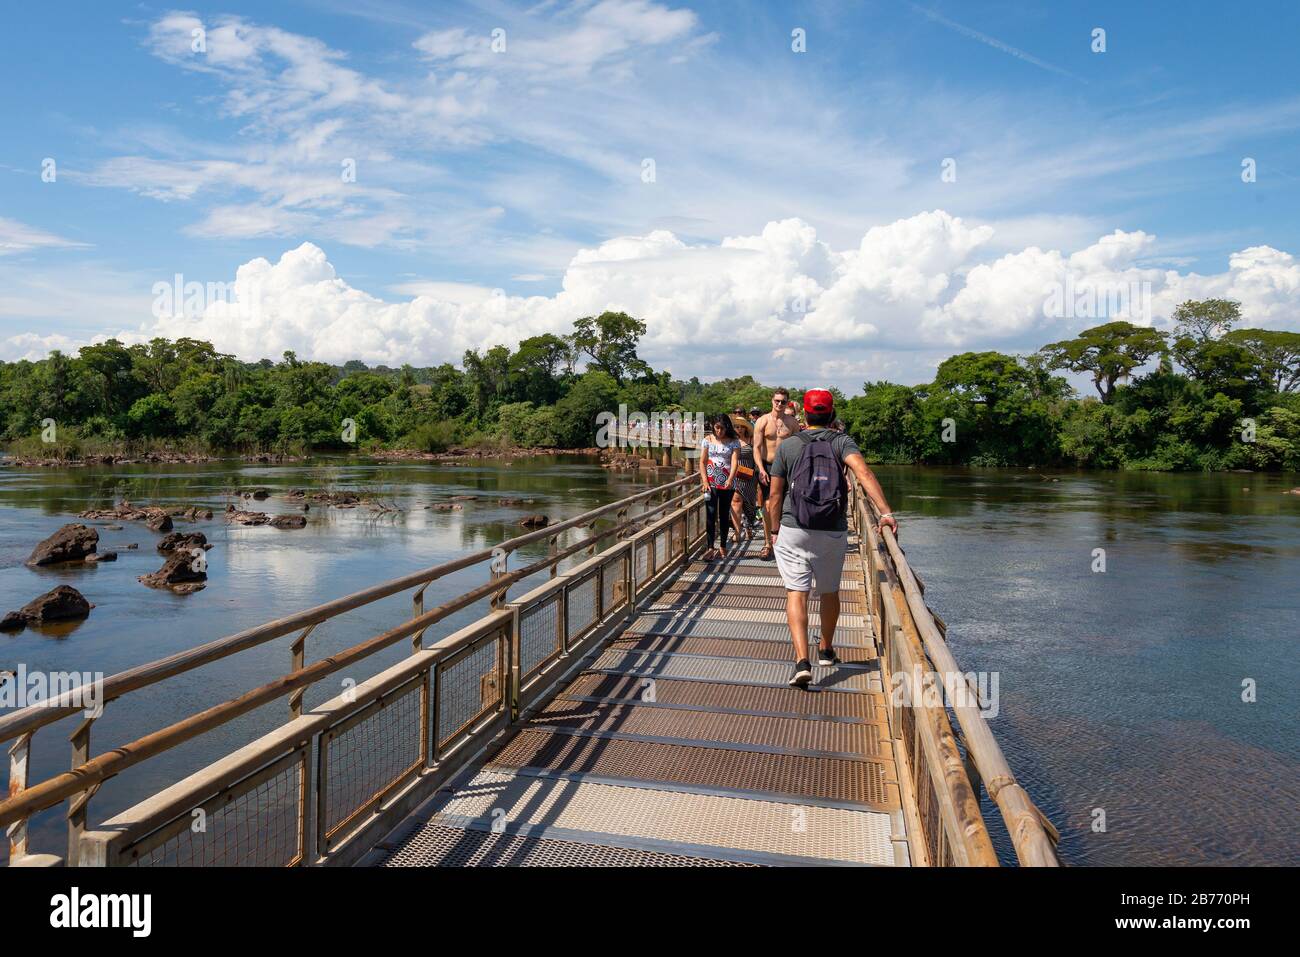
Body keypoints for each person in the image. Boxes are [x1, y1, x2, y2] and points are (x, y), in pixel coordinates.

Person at [766, 389, 898, 688]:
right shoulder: (841, 441)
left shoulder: (788, 446)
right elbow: (863, 473)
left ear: (803, 412)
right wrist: (886, 513)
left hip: (793, 527)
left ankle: (802, 661)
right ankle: (826, 649)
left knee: (796, 593)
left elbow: (775, 495)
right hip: (832, 528)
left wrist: (774, 531)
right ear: (831, 411)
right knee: (829, 592)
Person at [752, 389, 800, 561]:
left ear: (787, 403)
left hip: (786, 468)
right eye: (777, 401)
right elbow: (756, 448)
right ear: (772, 401)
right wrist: (761, 469)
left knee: (785, 505)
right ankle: (767, 543)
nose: (779, 404)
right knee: (767, 505)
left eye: (783, 401)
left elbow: (799, 448)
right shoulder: (762, 421)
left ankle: (784, 542)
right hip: (767, 465)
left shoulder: (792, 423)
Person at [698, 413, 740, 561]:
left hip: (727, 482)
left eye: (722, 428)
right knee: (710, 515)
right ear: (713, 427)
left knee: (723, 514)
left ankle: (722, 545)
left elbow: (735, 462)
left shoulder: (734, 441)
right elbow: (702, 462)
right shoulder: (707, 440)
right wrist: (704, 481)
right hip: (710, 482)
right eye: (717, 428)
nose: (719, 431)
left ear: (727, 427)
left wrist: (730, 478)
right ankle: (710, 547)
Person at [729, 413, 758, 541]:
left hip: (750, 476)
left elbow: (758, 456)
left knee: (749, 504)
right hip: (735, 475)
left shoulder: (752, 439)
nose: (739, 429)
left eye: (741, 427)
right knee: (735, 501)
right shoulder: (730, 441)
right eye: (736, 427)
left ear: (746, 428)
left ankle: (748, 526)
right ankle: (737, 531)